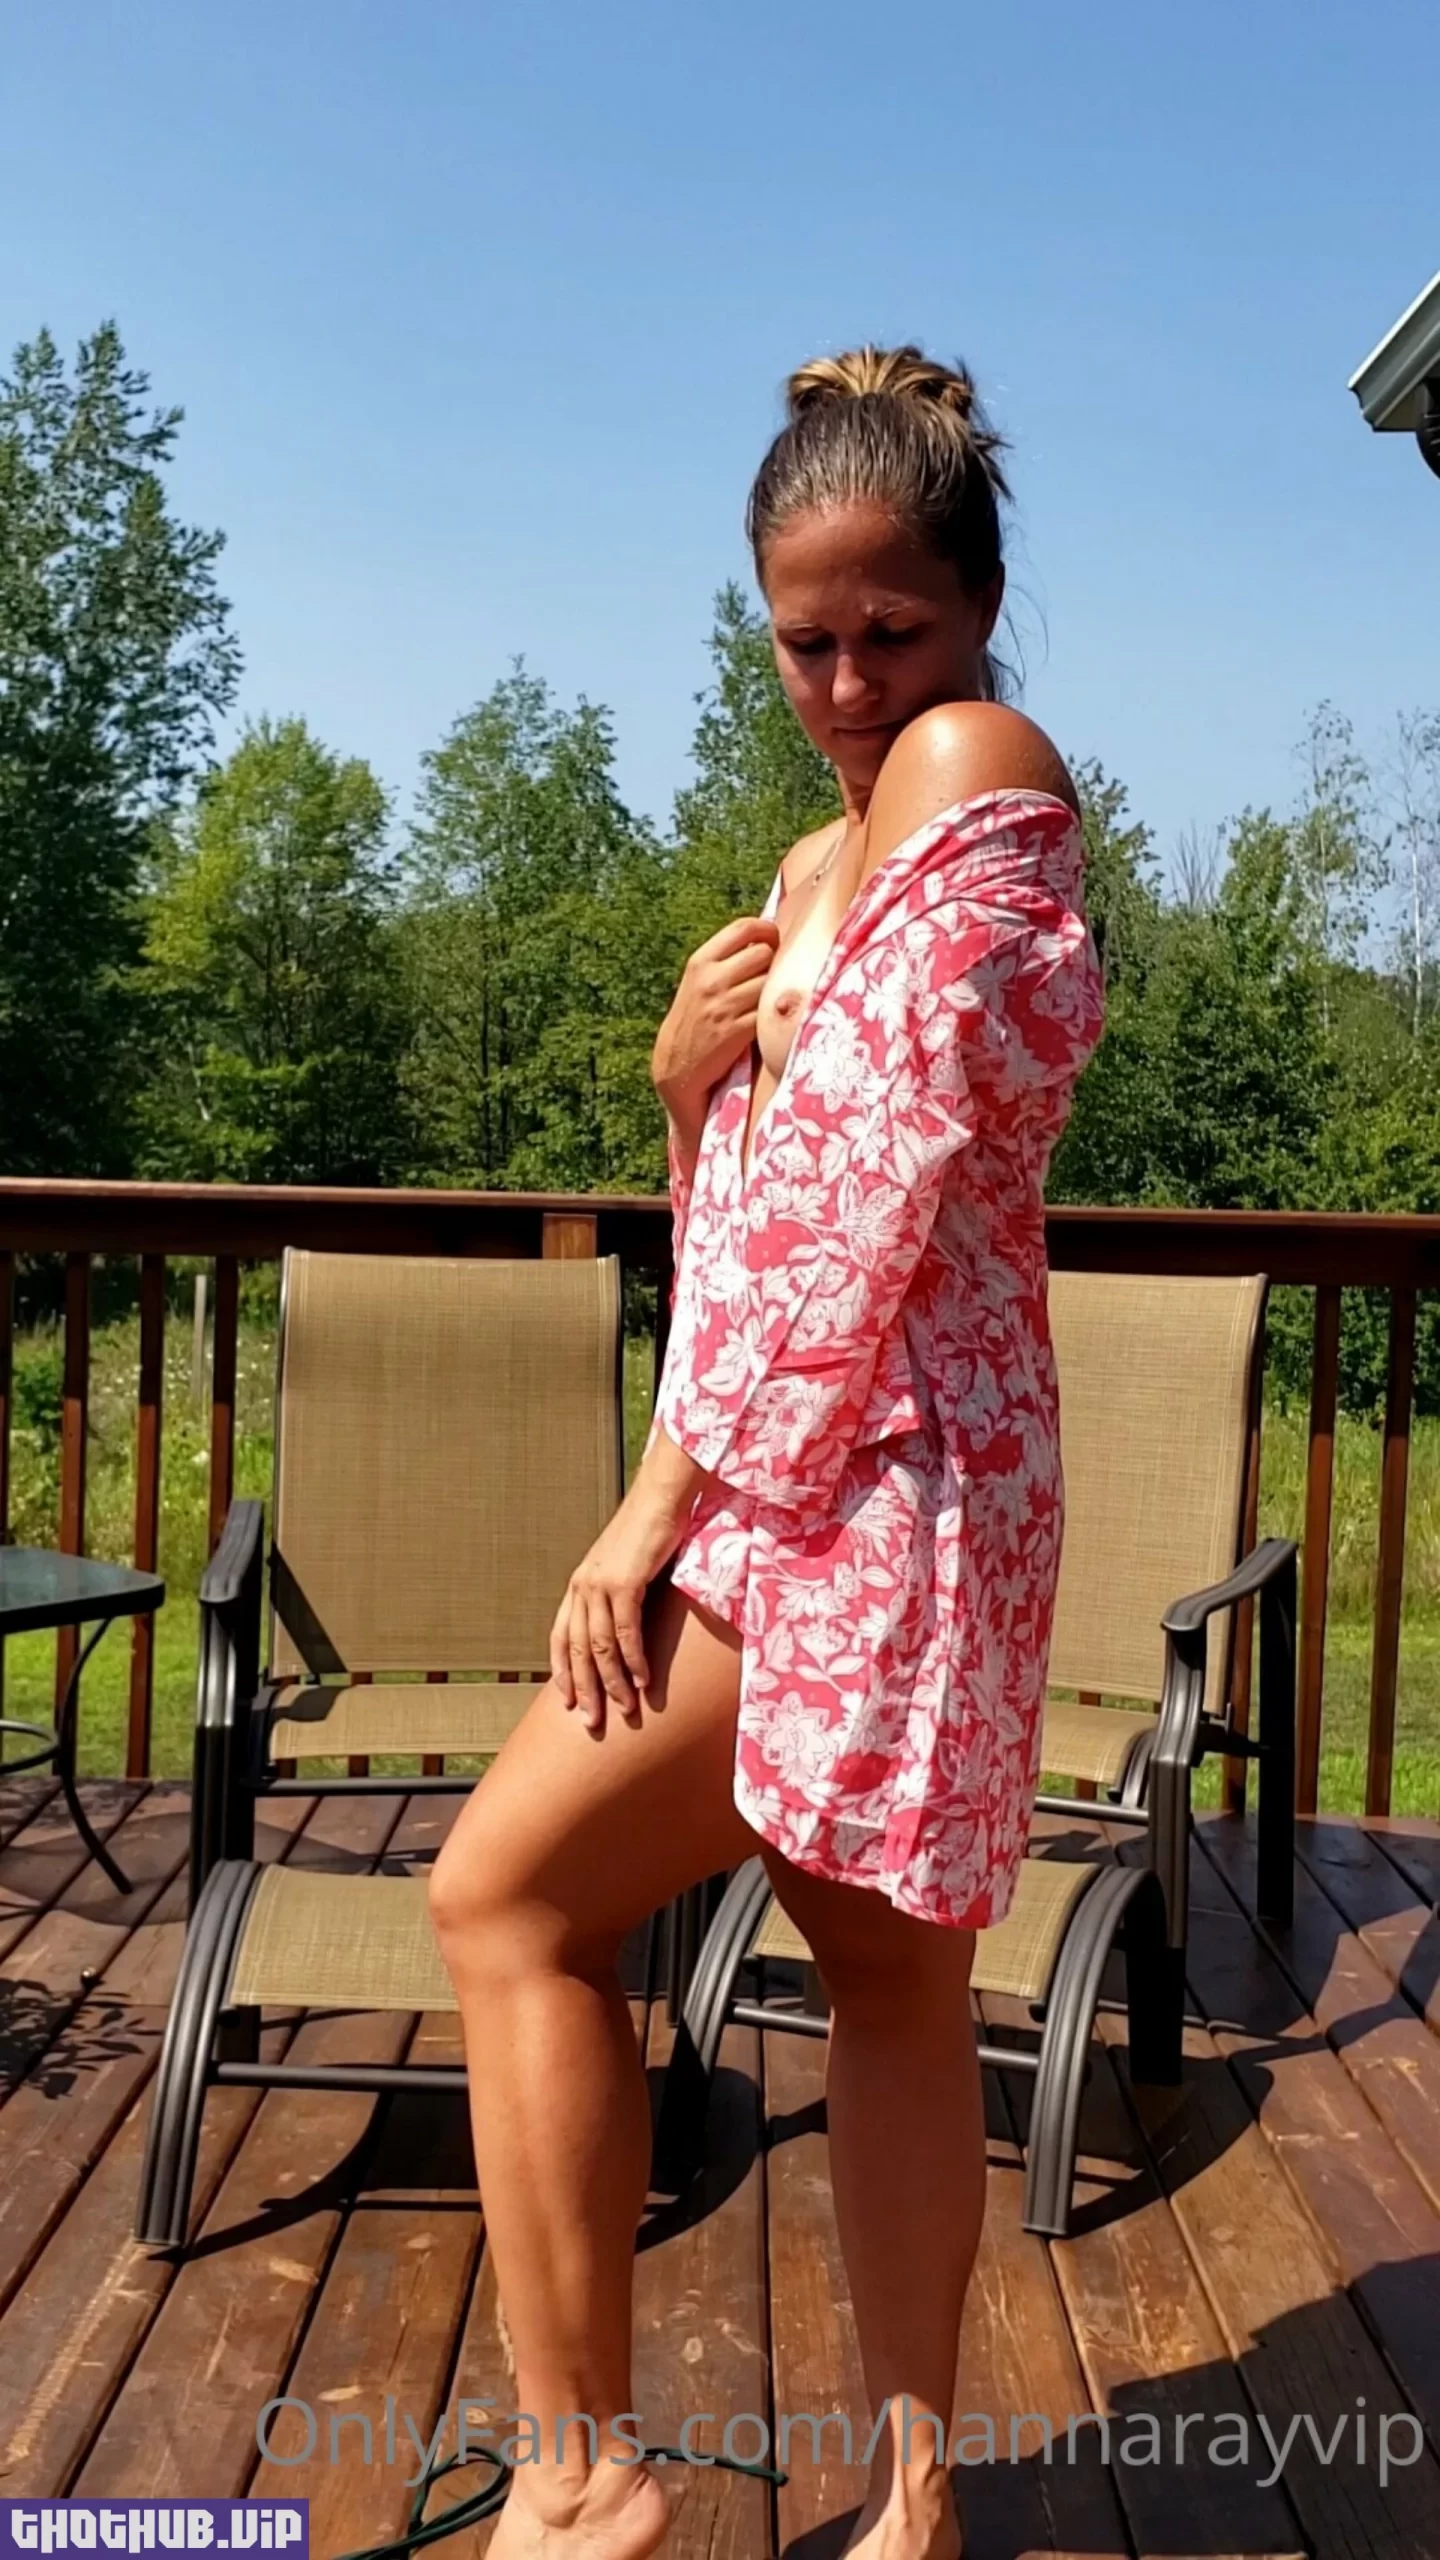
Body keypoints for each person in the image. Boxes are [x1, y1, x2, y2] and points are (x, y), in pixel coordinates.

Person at [430, 343, 1105, 2560]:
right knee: (889, 1986)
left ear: (980, 603)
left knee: (507, 1893)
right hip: (836, 1458)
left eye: (889, 627)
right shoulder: (825, 851)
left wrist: (645, 1516)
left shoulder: (977, 771)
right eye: (803, 640)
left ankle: (581, 2483)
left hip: (880, 1482)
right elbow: (762, 1209)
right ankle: (913, 2510)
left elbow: (869, 1189)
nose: (845, 683)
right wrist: (678, 1087)